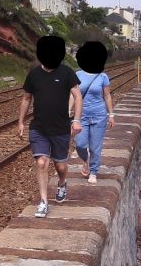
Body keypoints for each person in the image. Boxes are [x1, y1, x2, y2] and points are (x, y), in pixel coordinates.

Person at [18, 36, 83, 218]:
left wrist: (76, 120)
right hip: (39, 128)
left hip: (61, 128)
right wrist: (21, 122)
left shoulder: (67, 73)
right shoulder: (34, 74)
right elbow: (26, 98)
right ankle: (44, 202)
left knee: (60, 166)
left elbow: (78, 96)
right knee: (41, 162)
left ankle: (62, 183)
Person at [69, 41, 115, 184]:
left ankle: (93, 172)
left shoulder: (103, 76)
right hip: (81, 115)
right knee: (80, 144)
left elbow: (107, 96)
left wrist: (111, 114)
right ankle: (86, 161)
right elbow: (72, 95)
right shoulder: (77, 74)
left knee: (95, 146)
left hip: (99, 115)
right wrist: (67, 110)